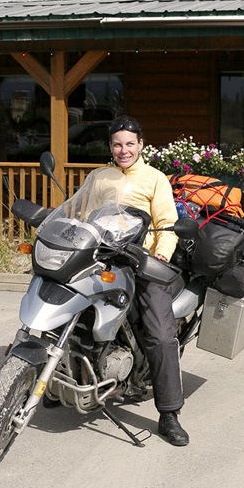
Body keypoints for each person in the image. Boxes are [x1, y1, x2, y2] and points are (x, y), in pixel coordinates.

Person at [88, 115, 189, 446]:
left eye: (130, 143)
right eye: (117, 144)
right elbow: (79, 214)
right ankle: (63, 379)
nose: (123, 150)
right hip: (100, 258)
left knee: (161, 336)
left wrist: (160, 256)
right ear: (110, 147)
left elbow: (167, 220)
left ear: (141, 145)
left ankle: (169, 414)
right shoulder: (99, 177)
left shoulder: (154, 178)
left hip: (140, 261)